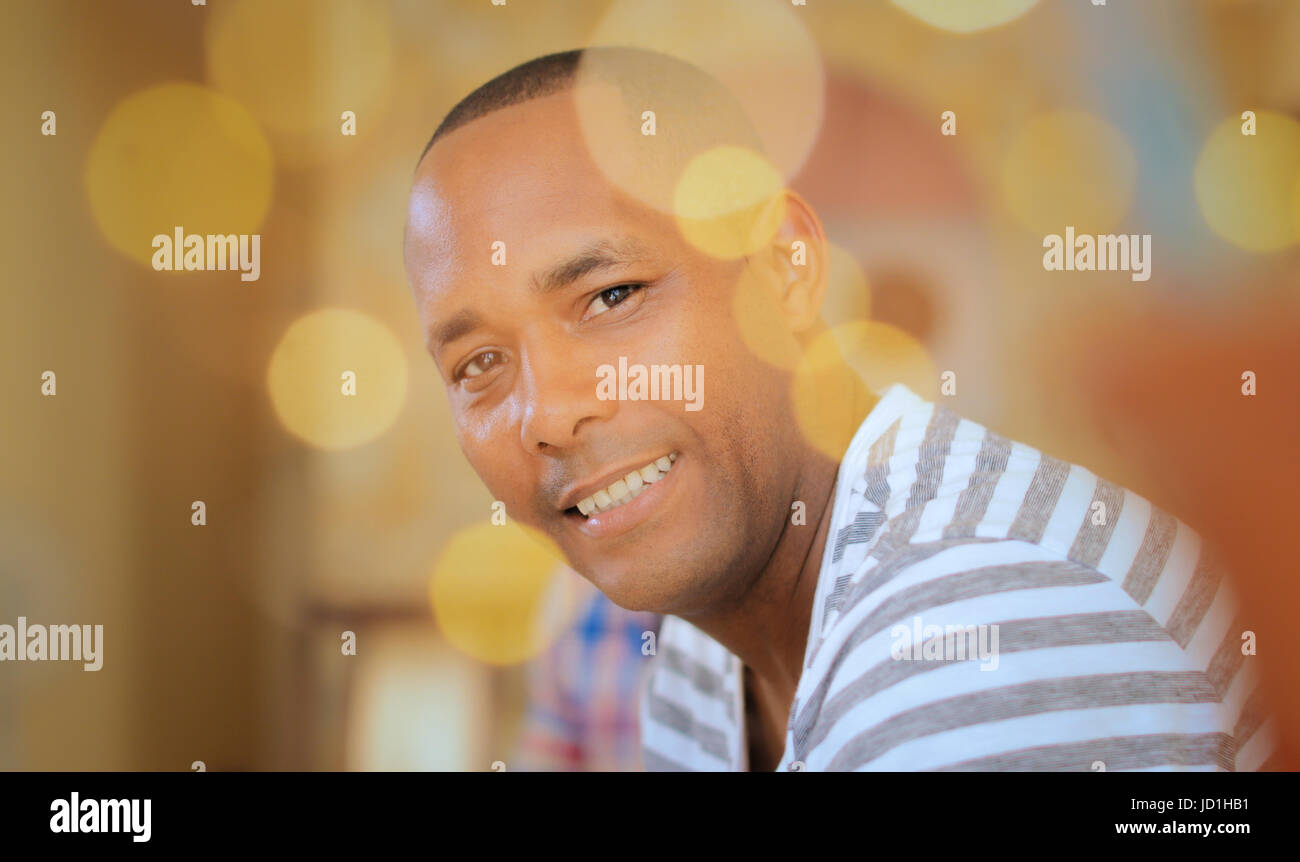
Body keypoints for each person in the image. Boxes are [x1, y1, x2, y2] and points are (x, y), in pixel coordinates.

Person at [403, 46, 1275, 771]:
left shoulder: (979, 634)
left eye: (612, 295)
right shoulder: (701, 641)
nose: (547, 413)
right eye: (479, 363)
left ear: (784, 269)